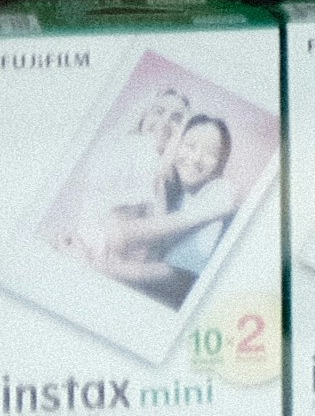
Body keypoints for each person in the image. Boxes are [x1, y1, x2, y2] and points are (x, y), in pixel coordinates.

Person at [63, 95, 245, 309]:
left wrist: (92, 267)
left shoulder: (218, 194)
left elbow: (177, 278)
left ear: (220, 163)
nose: (196, 158)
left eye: (210, 154)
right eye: (190, 145)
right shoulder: (167, 183)